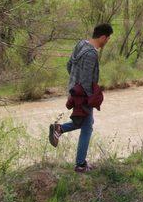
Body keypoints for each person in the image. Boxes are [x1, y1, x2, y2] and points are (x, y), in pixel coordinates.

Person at [48, 23, 112, 173]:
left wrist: (73, 83)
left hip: (74, 91)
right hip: (82, 95)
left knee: (83, 123)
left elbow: (69, 65)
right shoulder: (91, 54)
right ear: (103, 37)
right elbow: (86, 79)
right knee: (87, 126)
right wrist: (91, 98)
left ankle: (60, 129)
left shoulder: (81, 44)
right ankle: (80, 164)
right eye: (108, 39)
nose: (107, 42)